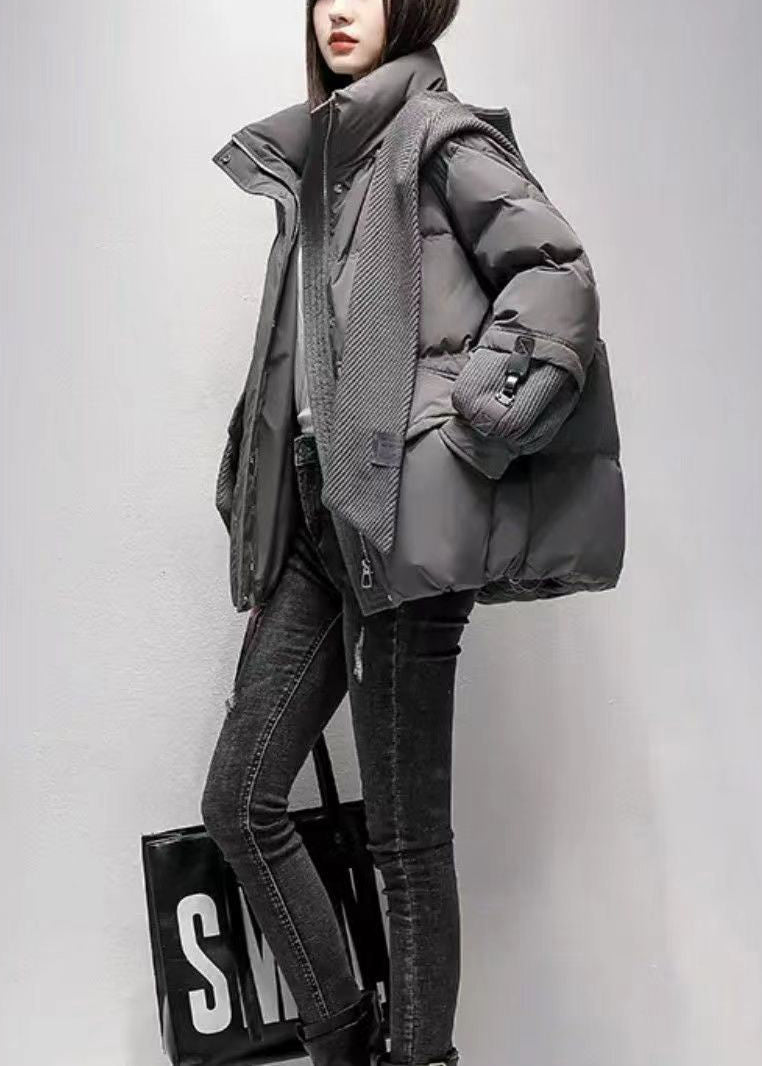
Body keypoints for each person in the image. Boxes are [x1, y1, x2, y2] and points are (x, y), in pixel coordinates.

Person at [202, 2, 620, 1065]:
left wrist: (474, 425)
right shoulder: (322, 162)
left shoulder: (439, 136)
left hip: (399, 516)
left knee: (405, 842)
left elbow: (556, 277)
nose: (339, 9)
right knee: (241, 801)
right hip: (318, 511)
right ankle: (345, 1040)